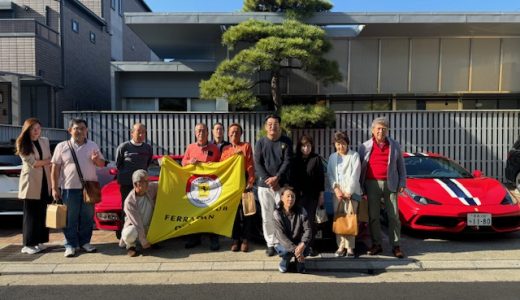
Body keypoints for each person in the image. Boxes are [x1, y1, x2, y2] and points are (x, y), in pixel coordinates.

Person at [51, 118, 105, 257]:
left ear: (86, 130)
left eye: (82, 128)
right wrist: (54, 187)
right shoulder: (62, 146)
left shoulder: (92, 145)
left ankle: (85, 242)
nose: (79, 131)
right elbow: (55, 169)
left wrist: (96, 160)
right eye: (76, 128)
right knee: (70, 218)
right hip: (69, 188)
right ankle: (70, 244)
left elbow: (101, 164)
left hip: (89, 187)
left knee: (87, 217)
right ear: (70, 130)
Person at [358, 117, 406, 259]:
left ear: (387, 130)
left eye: (384, 128)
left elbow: (401, 166)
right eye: (378, 128)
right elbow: (360, 167)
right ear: (373, 130)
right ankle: (376, 244)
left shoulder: (394, 145)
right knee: (373, 216)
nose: (381, 131)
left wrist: (402, 182)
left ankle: (396, 246)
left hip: (390, 184)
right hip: (371, 184)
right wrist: (360, 187)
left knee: (393, 216)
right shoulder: (364, 146)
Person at [254, 114, 293, 256]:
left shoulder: (286, 141)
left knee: (282, 215)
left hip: (281, 186)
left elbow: (287, 161)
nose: (272, 126)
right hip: (264, 186)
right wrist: (268, 180)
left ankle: (283, 242)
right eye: (269, 124)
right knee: (267, 216)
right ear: (265, 127)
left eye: (275, 123)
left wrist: (277, 178)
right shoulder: (260, 143)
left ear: (279, 125)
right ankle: (270, 243)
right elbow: (257, 163)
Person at [181, 123, 221, 250]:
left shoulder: (214, 148)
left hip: (211, 187)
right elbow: (183, 163)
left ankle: (214, 238)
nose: (201, 133)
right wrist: (189, 162)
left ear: (208, 133)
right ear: (195, 133)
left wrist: (212, 165)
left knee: (212, 213)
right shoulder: (190, 147)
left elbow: (222, 165)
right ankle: (194, 238)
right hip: (194, 187)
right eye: (198, 131)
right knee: (194, 213)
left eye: (203, 131)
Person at [16, 118, 53, 254]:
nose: (36, 131)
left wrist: (47, 161)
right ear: (27, 130)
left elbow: (46, 160)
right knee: (31, 215)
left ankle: (39, 241)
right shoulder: (22, 143)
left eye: (38, 128)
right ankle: (28, 244)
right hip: (31, 183)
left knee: (42, 213)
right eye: (33, 128)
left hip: (45, 182)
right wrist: (49, 161)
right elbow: (34, 163)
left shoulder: (45, 141)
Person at [220, 123, 255, 252]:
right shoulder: (225, 150)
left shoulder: (246, 146)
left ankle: (245, 240)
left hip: (245, 182)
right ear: (228, 134)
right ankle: (235, 239)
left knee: (248, 212)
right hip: (231, 186)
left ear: (241, 134)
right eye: (232, 132)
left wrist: (250, 182)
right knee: (233, 214)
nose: (234, 134)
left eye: (237, 132)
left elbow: (250, 165)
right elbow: (221, 167)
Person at [327, 131, 362, 257]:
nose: (340, 146)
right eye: (337, 144)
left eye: (342, 143)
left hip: (351, 193)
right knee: (339, 218)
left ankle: (350, 247)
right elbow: (330, 175)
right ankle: (341, 246)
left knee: (350, 218)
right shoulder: (332, 157)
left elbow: (355, 175)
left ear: (347, 143)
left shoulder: (354, 156)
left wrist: (348, 191)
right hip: (338, 194)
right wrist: (336, 189)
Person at [115, 123, 153, 236]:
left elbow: (148, 163)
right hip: (127, 184)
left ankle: (143, 235)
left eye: (143, 132)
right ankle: (126, 237)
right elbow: (118, 164)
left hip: (142, 186)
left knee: (144, 211)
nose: (141, 134)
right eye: (138, 132)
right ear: (132, 133)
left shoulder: (148, 148)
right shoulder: (124, 147)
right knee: (127, 210)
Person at [293, 134, 324, 256]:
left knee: (310, 222)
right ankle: (298, 246)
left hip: (312, 196)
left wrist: (321, 194)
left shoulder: (316, 159)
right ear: (299, 147)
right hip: (298, 196)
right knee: (298, 222)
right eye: (303, 146)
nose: (306, 148)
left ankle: (309, 246)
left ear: (312, 146)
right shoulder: (295, 159)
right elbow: (293, 178)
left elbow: (321, 178)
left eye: (308, 146)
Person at [119, 169, 158, 257]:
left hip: (149, 226)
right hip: (137, 228)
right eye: (144, 181)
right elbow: (137, 223)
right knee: (129, 233)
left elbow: (163, 183)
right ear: (136, 184)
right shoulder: (129, 202)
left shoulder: (150, 188)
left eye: (148, 180)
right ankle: (131, 246)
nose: (148, 183)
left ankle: (152, 240)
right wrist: (143, 241)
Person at [273, 186, 311, 273]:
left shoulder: (301, 210)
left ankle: (299, 262)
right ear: (282, 198)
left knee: (306, 249)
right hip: (282, 243)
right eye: (288, 196)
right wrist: (296, 251)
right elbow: (280, 235)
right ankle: (284, 263)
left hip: (298, 242)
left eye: (293, 196)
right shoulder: (277, 213)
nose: (290, 199)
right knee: (286, 251)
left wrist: (302, 244)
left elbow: (308, 229)